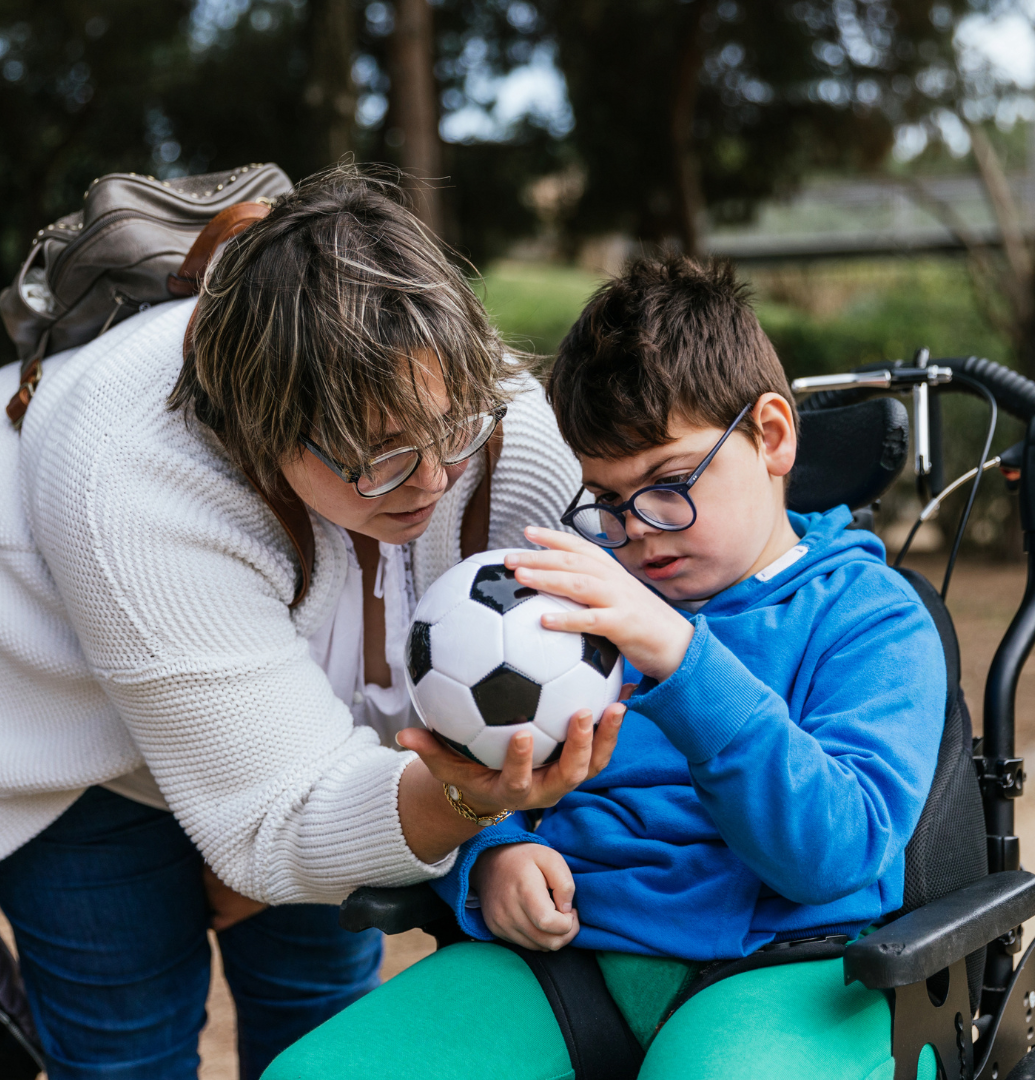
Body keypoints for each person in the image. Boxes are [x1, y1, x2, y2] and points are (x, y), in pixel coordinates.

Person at [0, 167, 624, 1080]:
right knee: (127, 1043)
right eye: (379, 458)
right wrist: (448, 804)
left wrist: (304, 848)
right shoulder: (135, 486)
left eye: (452, 431)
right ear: (257, 433)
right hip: (62, 720)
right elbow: (278, 819)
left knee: (318, 1010)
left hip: (284, 690)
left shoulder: (494, 415)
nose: (434, 478)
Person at [264, 255, 948, 1080]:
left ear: (771, 435)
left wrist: (684, 659)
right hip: (566, 963)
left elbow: (834, 856)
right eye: (608, 500)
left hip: (787, 962)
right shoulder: (562, 602)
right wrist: (492, 859)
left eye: (669, 483)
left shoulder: (871, 617)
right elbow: (490, 770)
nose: (640, 529)